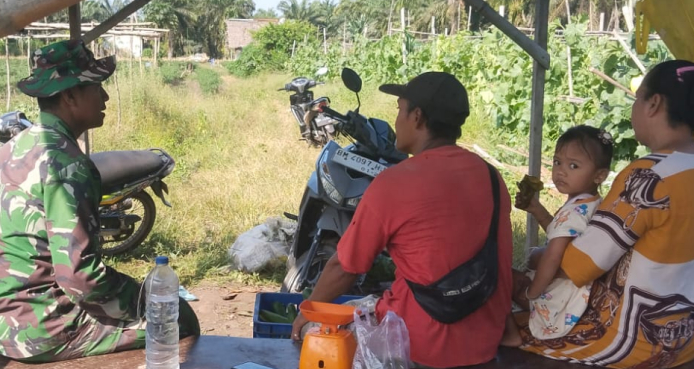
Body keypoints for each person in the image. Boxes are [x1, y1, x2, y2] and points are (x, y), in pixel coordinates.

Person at [291, 71, 514, 368]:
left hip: (417, 346)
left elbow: (344, 268)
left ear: (417, 117)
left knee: (314, 333)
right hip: (483, 342)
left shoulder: (395, 182)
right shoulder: (491, 176)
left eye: (399, 110)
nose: (396, 121)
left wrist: (308, 311)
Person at [0, 40, 145, 362]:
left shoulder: (15, 146)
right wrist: (147, 297)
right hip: (32, 331)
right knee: (177, 319)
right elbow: (80, 278)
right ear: (70, 96)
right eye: (96, 87)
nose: (105, 97)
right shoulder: (67, 164)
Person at [515, 59, 694, 369]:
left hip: (633, 341)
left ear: (653, 104)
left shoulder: (649, 175)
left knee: (502, 297)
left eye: (636, 99)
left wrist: (535, 262)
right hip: (686, 340)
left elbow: (579, 266)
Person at [501, 125, 613, 346]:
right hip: (573, 296)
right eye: (557, 162)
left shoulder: (574, 212)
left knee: (501, 276)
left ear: (599, 175)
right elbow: (560, 231)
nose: (561, 171)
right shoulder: (589, 203)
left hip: (556, 300)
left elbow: (553, 256)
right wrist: (537, 210)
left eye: (573, 166)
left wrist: (532, 292)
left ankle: (512, 333)